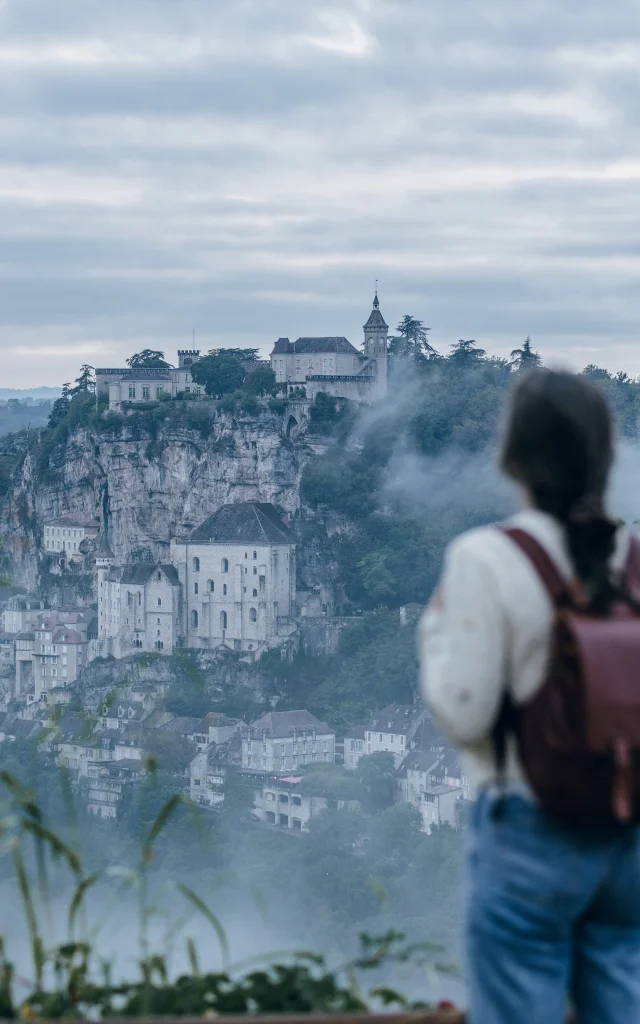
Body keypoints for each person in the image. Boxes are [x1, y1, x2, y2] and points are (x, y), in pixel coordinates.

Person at [419, 368, 640, 1024]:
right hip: (627, 823)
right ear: (605, 455)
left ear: (511, 456)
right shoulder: (633, 556)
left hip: (532, 824)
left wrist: (433, 631)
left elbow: (465, 712)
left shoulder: (487, 558)